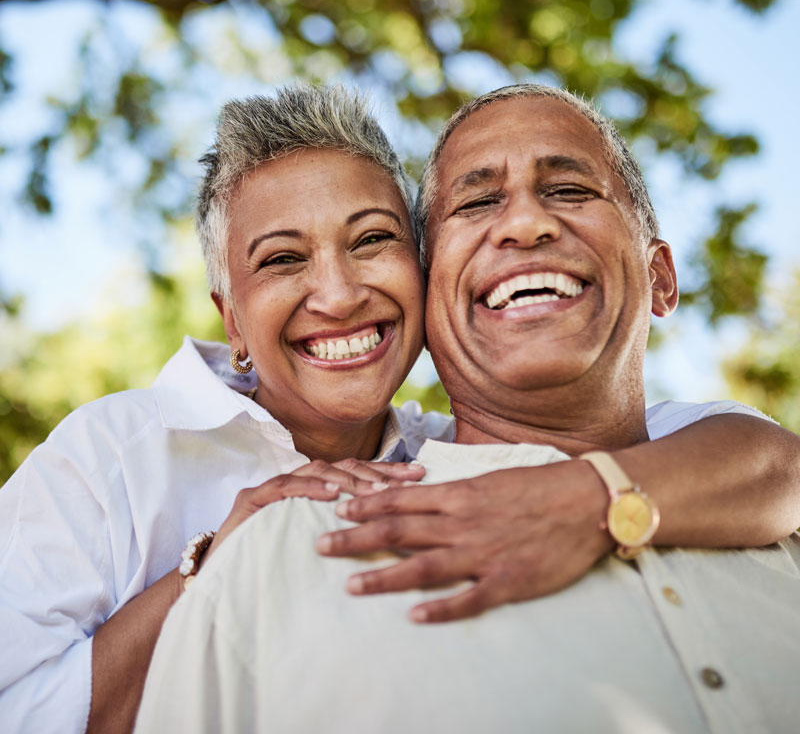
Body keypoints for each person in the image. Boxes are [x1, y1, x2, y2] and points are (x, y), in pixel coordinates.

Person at [1, 85, 798, 734]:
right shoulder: (120, 454)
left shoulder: (448, 450)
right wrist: (210, 569)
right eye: (282, 259)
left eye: (372, 240)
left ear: (422, 275)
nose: (340, 294)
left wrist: (589, 498)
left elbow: (770, 462)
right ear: (231, 320)